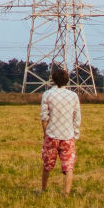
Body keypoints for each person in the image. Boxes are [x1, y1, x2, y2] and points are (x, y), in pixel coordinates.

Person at [39, 67, 81, 196]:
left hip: (52, 135)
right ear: (67, 81)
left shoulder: (47, 94)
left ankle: (43, 189)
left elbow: (44, 117)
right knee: (69, 166)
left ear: (53, 79)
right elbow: (77, 116)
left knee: (47, 165)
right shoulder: (73, 96)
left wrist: (46, 133)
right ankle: (66, 193)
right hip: (68, 136)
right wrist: (75, 132)